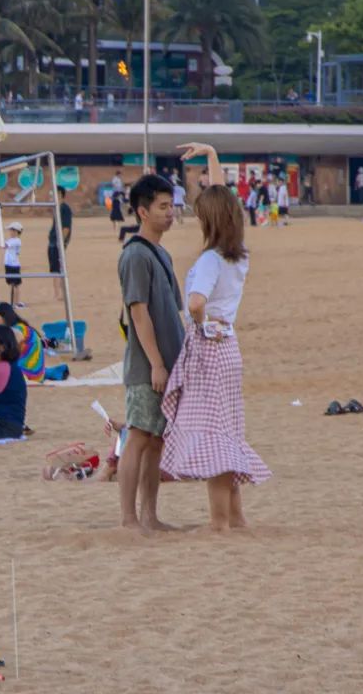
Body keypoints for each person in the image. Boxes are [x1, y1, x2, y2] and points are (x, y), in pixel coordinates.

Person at [160, 184, 271, 531]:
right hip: (229, 346)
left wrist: (200, 322)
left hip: (210, 346)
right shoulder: (238, 255)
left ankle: (219, 520)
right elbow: (225, 198)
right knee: (226, 431)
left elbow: (195, 302)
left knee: (212, 435)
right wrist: (210, 154)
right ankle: (234, 516)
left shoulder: (211, 259)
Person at [115, 145, 211, 533]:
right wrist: (155, 362)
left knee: (155, 441)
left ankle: (150, 516)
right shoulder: (136, 255)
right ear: (142, 211)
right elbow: (138, 313)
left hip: (169, 362)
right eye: (161, 207)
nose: (170, 213)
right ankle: (128, 519)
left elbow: (171, 312)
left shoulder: (161, 253)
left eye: (171, 206)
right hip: (147, 366)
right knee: (138, 437)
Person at [0, 302, 44, 383]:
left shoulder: (17, 330)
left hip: (31, 373)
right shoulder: (19, 327)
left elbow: (10, 353)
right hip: (36, 371)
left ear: (4, 317)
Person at [48, 187, 73, 301]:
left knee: (59, 269)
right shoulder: (57, 208)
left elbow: (66, 227)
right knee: (55, 269)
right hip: (53, 241)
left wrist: (61, 242)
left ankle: (60, 294)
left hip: (57, 243)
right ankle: (58, 293)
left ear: (60, 194)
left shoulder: (65, 209)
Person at [3, 222, 23, 306]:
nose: (10, 232)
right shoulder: (11, 240)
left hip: (13, 265)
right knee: (11, 284)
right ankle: (14, 302)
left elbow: (4, 246)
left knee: (15, 285)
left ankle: (16, 302)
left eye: (11, 230)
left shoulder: (16, 241)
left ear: (16, 231)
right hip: (9, 264)